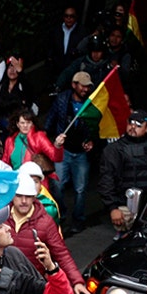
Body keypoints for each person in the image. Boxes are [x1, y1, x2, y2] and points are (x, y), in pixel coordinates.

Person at [0, 178, 84, 288]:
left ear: (34, 197)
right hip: (3, 284)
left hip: (32, 286)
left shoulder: (46, 222)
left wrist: (77, 281)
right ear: (12, 196)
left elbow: (61, 253)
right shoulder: (0, 217)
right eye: (19, 196)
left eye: (28, 196)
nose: (23, 201)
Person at [46, 72, 102, 229]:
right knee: (57, 185)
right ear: (74, 85)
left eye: (88, 86)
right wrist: (50, 141)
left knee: (80, 188)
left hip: (81, 154)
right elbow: (50, 119)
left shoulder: (92, 104)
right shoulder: (62, 99)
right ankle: (61, 213)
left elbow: (97, 129)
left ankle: (78, 218)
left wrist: (92, 142)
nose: (85, 89)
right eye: (82, 85)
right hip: (63, 151)